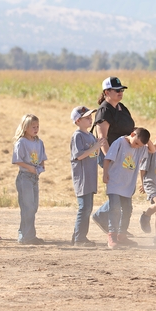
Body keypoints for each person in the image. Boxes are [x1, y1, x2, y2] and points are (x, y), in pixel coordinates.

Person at [92, 76, 135, 233]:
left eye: (121, 90)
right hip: (111, 156)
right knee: (117, 192)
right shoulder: (104, 111)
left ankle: (103, 216)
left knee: (123, 189)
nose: (120, 92)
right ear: (106, 92)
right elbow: (102, 139)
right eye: (117, 90)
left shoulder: (121, 108)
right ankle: (111, 224)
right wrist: (110, 159)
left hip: (125, 156)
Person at [102, 127, 153, 249]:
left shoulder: (140, 147)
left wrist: (146, 140)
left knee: (127, 209)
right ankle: (112, 235)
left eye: (139, 145)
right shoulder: (120, 142)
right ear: (132, 134)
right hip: (114, 182)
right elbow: (107, 158)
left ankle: (122, 235)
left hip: (127, 185)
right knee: (115, 208)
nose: (136, 146)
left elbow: (153, 149)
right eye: (136, 143)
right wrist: (105, 173)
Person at [69, 106, 107, 247]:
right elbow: (78, 155)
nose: (90, 119)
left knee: (87, 208)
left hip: (90, 177)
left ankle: (77, 236)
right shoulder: (78, 135)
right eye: (86, 117)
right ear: (78, 121)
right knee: (84, 208)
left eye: (91, 117)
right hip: (83, 178)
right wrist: (95, 147)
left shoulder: (90, 136)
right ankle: (80, 239)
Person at [12, 114, 47, 245]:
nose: (36, 129)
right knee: (27, 207)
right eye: (33, 126)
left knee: (33, 207)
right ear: (25, 127)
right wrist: (30, 168)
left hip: (34, 177)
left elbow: (42, 157)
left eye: (37, 126)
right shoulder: (21, 142)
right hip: (25, 177)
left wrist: (40, 167)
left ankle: (28, 234)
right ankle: (26, 236)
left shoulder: (39, 142)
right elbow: (17, 160)